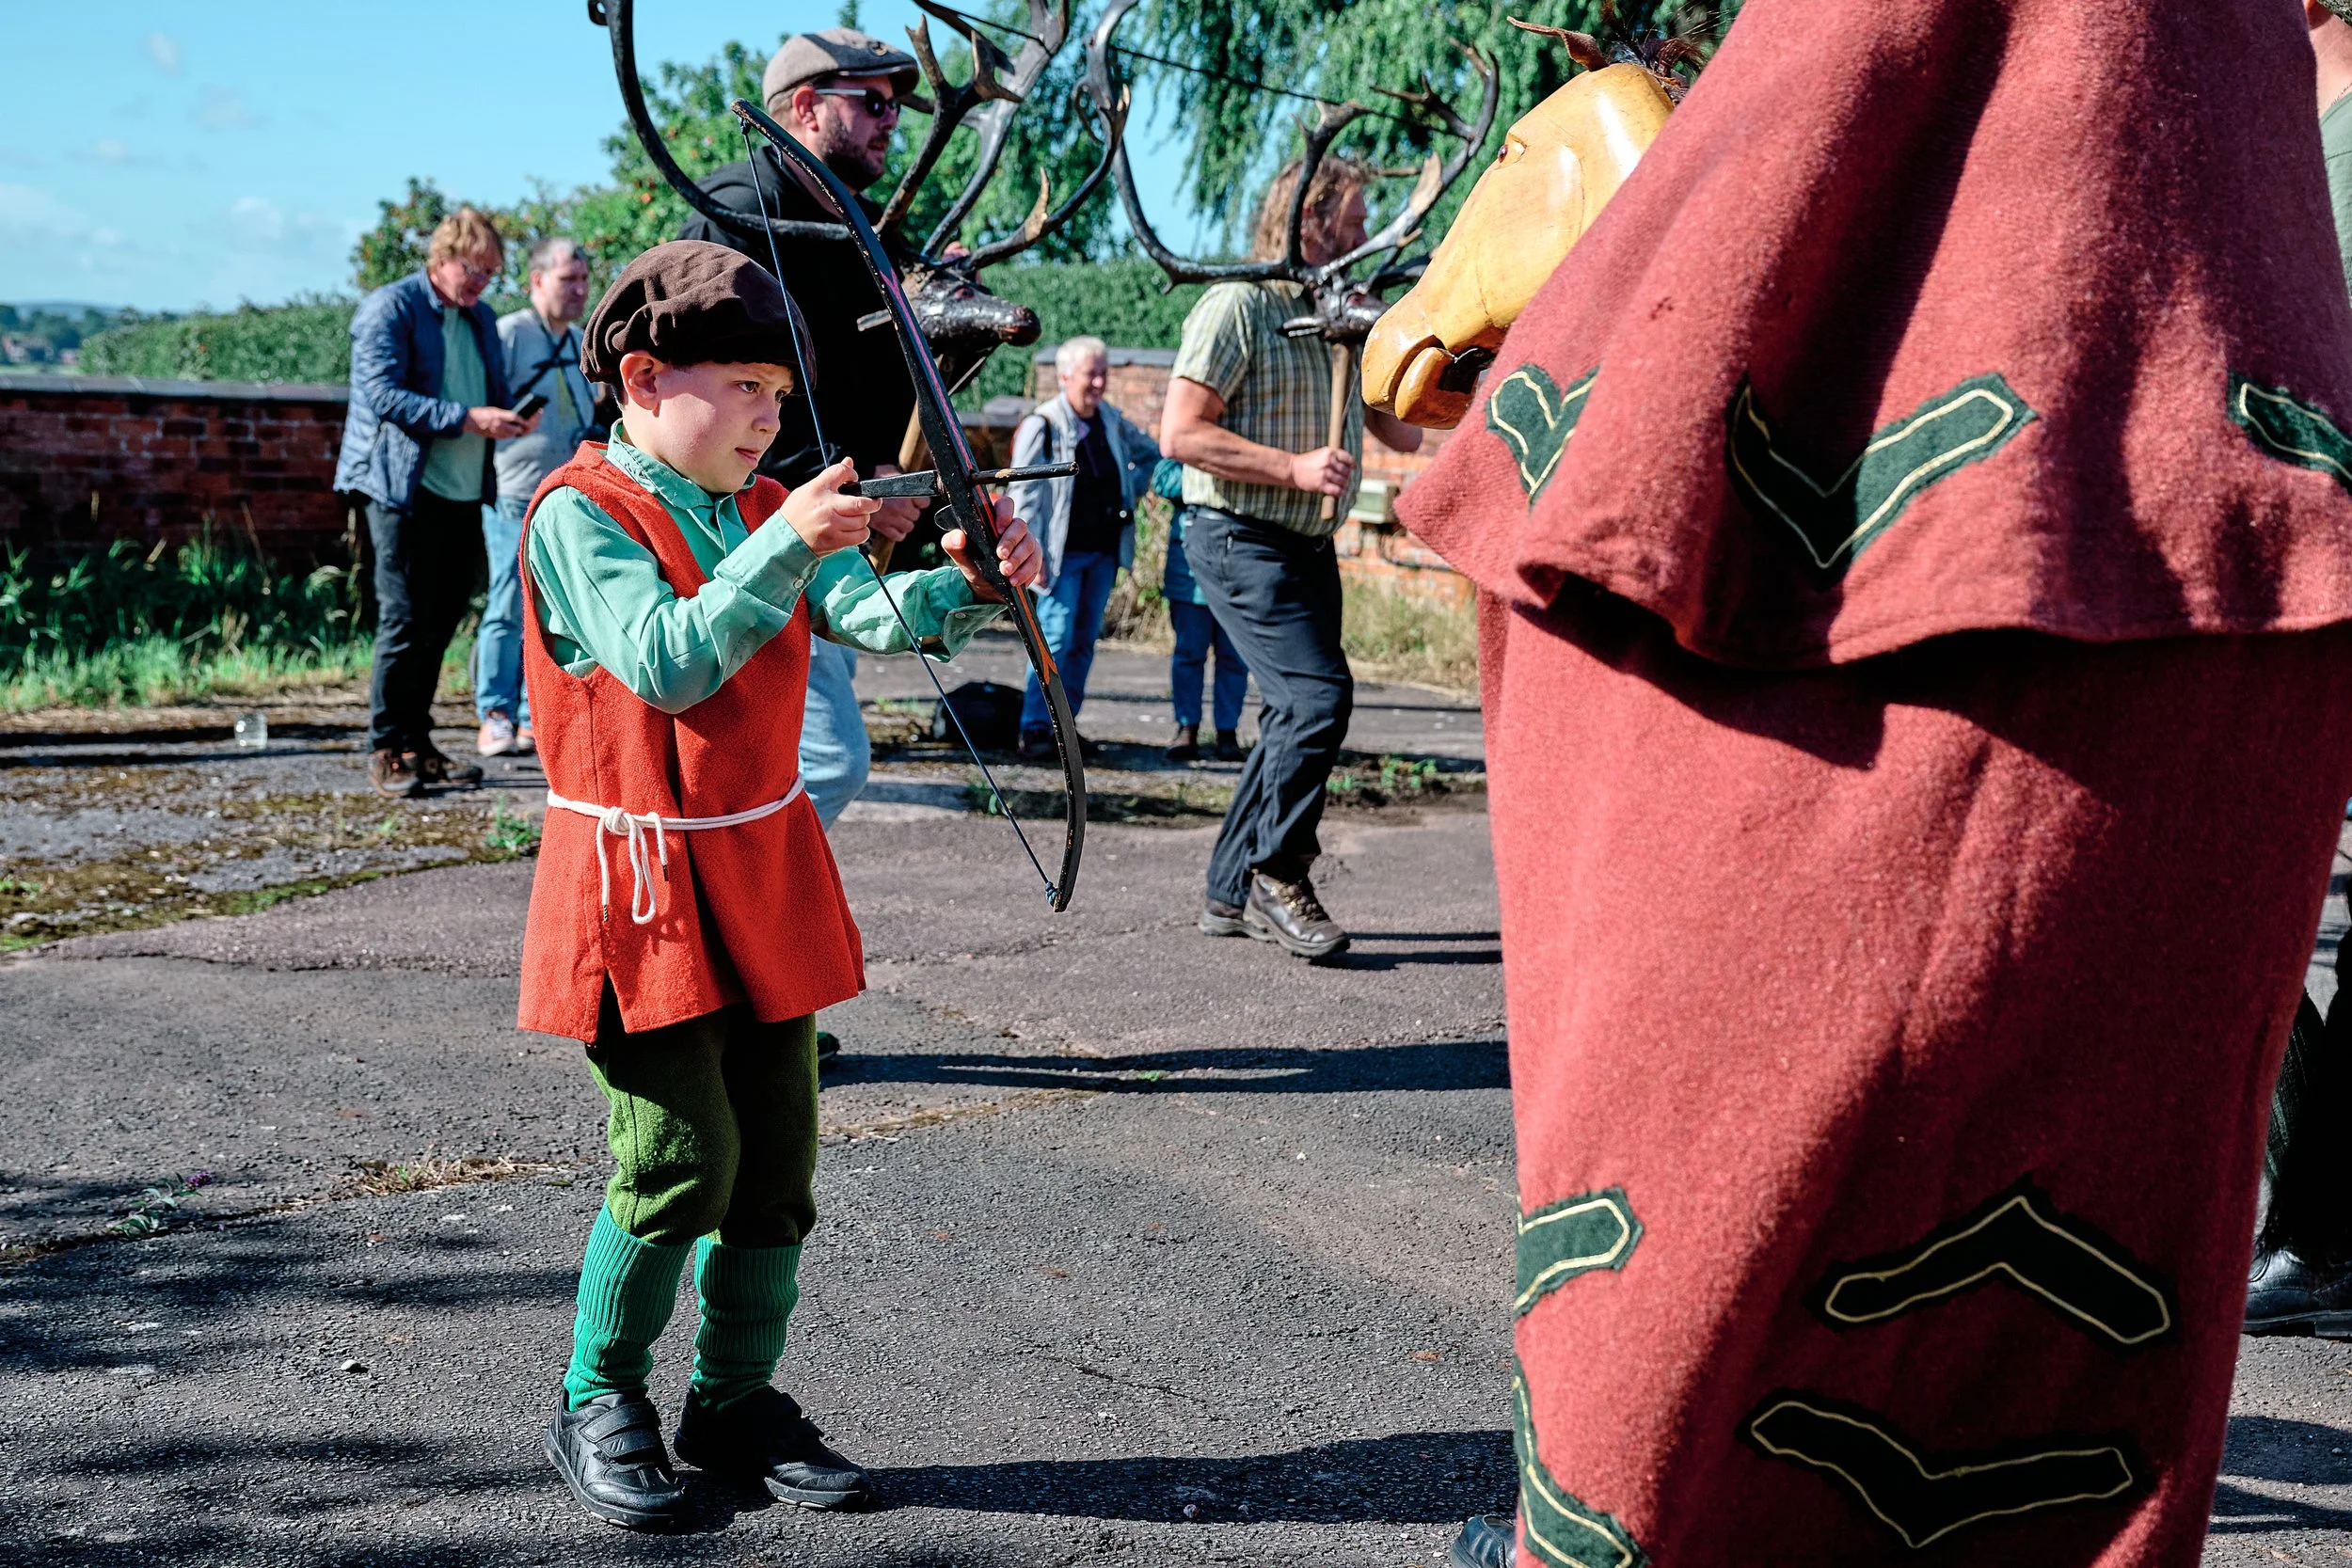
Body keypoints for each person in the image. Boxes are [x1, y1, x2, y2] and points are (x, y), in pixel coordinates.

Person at [1392, 0, 2352, 1560]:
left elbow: (1591, 518)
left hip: (1934, 606)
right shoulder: (2239, 149)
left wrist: (1610, 256)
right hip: (2214, 568)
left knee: (1689, 1310)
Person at [523, 242, 1040, 1529]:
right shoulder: (579, 511)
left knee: (777, 1165)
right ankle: (598, 1390)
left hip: (761, 864)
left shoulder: (753, 506)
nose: (771, 412)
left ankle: (735, 1398)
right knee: (678, 1158)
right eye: (745, 385)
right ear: (644, 378)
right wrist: (792, 537)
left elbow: (872, 617)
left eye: (775, 388)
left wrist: (972, 585)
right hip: (636, 883)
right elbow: (667, 659)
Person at [687, 29, 938, 1060]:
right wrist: (843, 490)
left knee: (796, 766)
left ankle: (734, 990)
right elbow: (736, 390)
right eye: (870, 102)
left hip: (817, 522)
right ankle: (725, 982)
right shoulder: (741, 212)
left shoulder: (853, 224)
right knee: (812, 762)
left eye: (890, 106)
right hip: (747, 535)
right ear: (802, 107)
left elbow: (866, 379)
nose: (887, 123)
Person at [1161, 157, 1422, 961]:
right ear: (1308, 221)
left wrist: (1419, 356)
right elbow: (1180, 434)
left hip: (1310, 546)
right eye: (1354, 216)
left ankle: (1226, 890)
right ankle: (1281, 870)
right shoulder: (1238, 307)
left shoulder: (1338, 316)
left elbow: (1405, 433)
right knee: (1316, 697)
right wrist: (1294, 467)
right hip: (1237, 535)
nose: (1367, 231)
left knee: (1287, 713)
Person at [2244, 0, 2352, 1340]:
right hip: (2277, 563)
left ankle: (2320, 1228)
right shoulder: (2266, 112)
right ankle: (2316, 1216)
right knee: (2215, 894)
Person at [334, 205, 536, 799]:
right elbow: (380, 395)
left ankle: (417, 744)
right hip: (401, 487)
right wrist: (467, 418)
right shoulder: (390, 307)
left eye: (489, 273)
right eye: (472, 269)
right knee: (404, 619)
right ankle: (386, 748)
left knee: (442, 619)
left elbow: (485, 395)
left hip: (464, 487)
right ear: (441, 259)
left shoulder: (479, 319)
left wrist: (509, 418)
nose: (480, 282)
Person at [1008, 337, 1155, 759]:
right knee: (1053, 638)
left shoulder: (1109, 418)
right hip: (1058, 556)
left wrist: (1132, 490)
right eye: (1091, 373)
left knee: (1083, 642)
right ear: (1065, 376)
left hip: (1103, 551)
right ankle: (1036, 728)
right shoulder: (1045, 424)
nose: (1098, 382)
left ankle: (1065, 733)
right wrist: (1028, 550)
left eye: (1103, 372)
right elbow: (1023, 492)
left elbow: (1152, 454)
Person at [482, 235, 598, 759]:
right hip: (513, 491)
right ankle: (495, 712)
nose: (578, 290)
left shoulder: (580, 340)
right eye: (566, 280)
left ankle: (536, 713)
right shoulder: (507, 335)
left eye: (582, 280)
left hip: (565, 497)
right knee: (507, 603)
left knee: (555, 608)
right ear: (535, 281)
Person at [1154, 458, 1251, 763]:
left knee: (1234, 657)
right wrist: (1209, 471)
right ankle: (1186, 728)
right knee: (1188, 654)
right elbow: (1163, 481)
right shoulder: (1185, 440)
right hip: (1189, 574)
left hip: (1236, 571)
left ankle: (1227, 733)